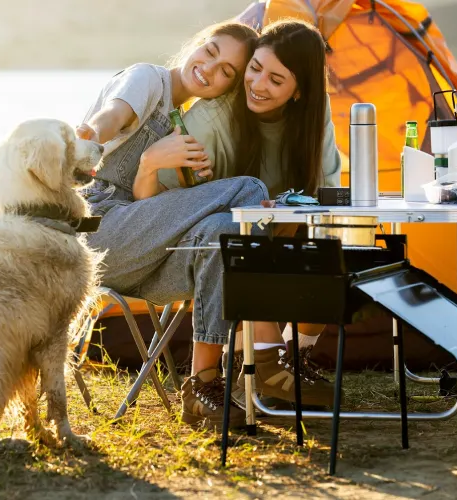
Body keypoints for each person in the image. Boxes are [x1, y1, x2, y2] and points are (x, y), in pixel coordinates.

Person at [135, 19, 344, 420]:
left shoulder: (315, 118)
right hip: (200, 247)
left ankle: (289, 358)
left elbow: (326, 195)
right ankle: (235, 370)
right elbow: (159, 208)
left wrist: (287, 209)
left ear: (299, 92)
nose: (258, 84)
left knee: (329, 241)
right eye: (255, 68)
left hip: (265, 246)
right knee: (233, 233)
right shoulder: (211, 120)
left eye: (276, 79)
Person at [76, 20, 268, 431]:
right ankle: (268, 356)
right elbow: (114, 114)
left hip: (137, 260)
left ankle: (203, 386)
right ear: (197, 44)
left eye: (226, 73)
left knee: (221, 232)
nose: (210, 69)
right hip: (95, 231)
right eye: (211, 52)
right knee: (250, 190)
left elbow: (144, 210)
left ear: (226, 90)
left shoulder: (181, 123)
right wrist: (91, 132)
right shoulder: (147, 78)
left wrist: (156, 166)